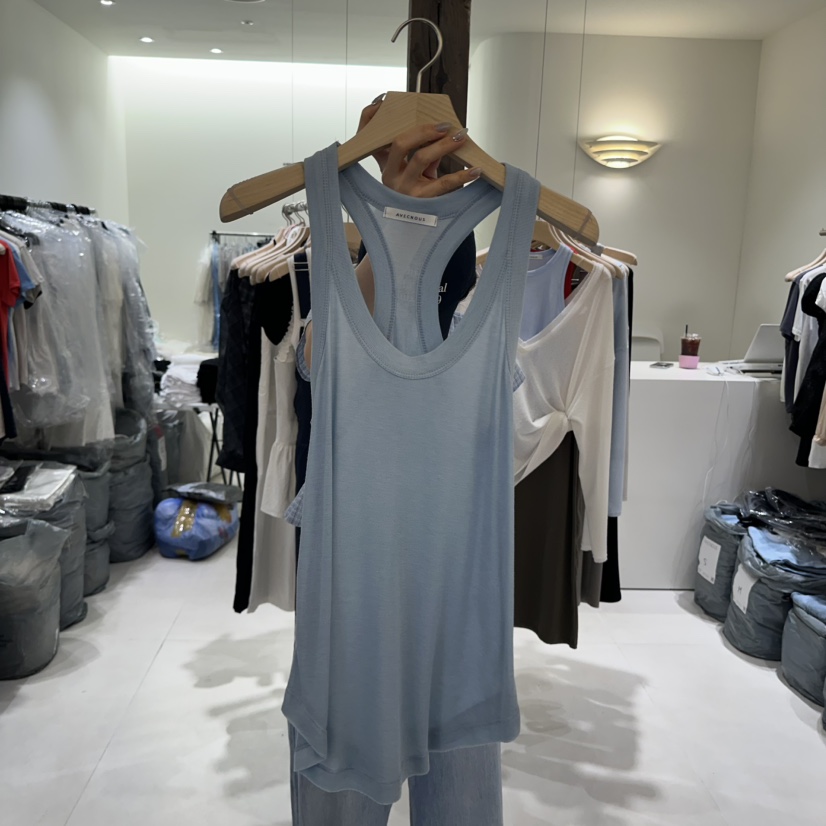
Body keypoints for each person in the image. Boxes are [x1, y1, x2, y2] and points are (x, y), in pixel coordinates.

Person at [290, 99, 507, 826]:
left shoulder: (471, 246)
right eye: (390, 144)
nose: (410, 159)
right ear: (368, 148)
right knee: (347, 754)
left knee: (456, 759)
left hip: (451, 542)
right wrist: (386, 239)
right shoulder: (341, 236)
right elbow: (319, 361)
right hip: (356, 540)